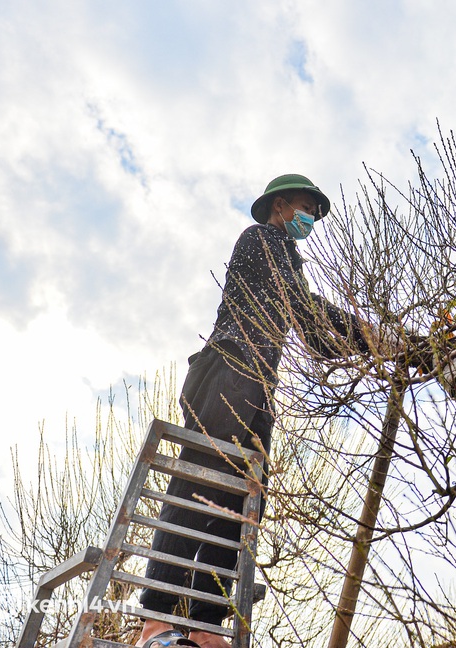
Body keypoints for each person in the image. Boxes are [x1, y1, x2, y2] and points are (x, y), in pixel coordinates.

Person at [135, 174, 404, 648]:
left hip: (258, 386)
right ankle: (155, 619)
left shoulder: (289, 260)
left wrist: (383, 348)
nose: (312, 220)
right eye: (306, 208)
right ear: (280, 206)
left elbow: (317, 338)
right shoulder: (261, 239)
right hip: (228, 369)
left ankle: (204, 626)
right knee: (200, 482)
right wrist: (370, 333)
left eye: (317, 215)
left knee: (240, 503)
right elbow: (305, 309)